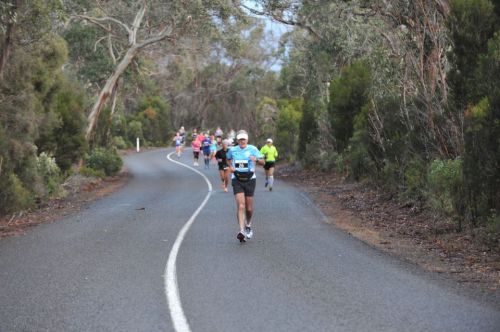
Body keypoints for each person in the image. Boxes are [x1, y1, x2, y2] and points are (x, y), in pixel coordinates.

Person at [227, 130, 264, 242]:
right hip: (237, 179)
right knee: (241, 206)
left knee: (249, 208)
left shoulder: (253, 149)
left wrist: (256, 160)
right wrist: (231, 167)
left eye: (244, 139)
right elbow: (228, 159)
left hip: (250, 179)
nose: (242, 141)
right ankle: (241, 230)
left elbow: (263, 162)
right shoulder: (232, 150)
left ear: (247, 139)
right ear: (237, 140)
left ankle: (248, 224)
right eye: (240, 139)